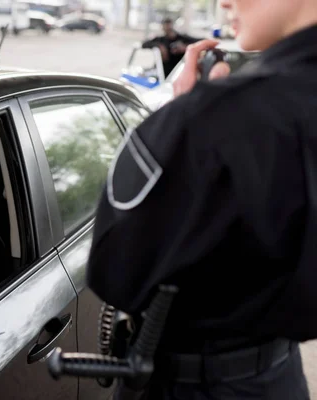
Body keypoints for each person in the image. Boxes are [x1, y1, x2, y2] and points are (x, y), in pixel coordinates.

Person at [87, 0, 317, 398]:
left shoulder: (213, 118)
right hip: (279, 378)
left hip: (198, 384)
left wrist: (184, 116)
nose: (224, 1)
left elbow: (117, 272)